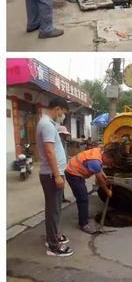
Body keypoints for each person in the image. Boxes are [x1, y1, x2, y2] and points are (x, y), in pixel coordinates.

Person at [36, 98, 73, 256]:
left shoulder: (47, 124)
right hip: (52, 175)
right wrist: (57, 176)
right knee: (53, 210)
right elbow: (49, 151)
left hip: (52, 173)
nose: (62, 116)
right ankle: (53, 246)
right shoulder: (47, 125)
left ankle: (54, 235)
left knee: (54, 208)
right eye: (63, 112)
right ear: (57, 109)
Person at [65, 144, 116, 233]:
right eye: (110, 162)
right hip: (73, 174)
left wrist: (105, 177)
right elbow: (100, 181)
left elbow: (100, 170)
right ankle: (83, 224)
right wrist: (107, 191)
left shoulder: (99, 152)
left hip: (75, 172)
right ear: (107, 156)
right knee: (83, 198)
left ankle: (84, 215)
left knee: (83, 196)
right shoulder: (95, 162)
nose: (110, 165)